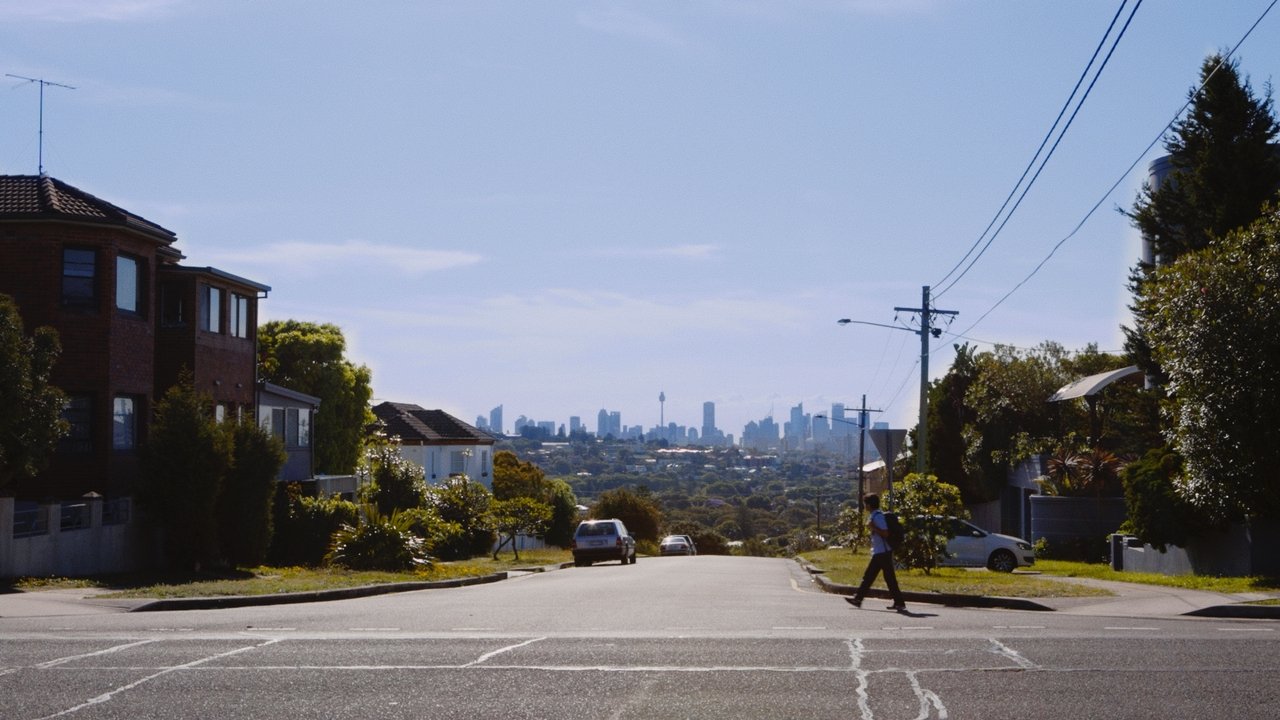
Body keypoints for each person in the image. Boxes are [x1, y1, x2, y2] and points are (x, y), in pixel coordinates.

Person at [847, 493, 907, 612]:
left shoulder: (877, 517)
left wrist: (873, 527)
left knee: (871, 577)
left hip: (882, 552)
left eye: (865, 504)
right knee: (884, 578)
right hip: (881, 552)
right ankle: (899, 602)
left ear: (869, 505)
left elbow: (885, 533)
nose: (864, 506)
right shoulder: (875, 515)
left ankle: (858, 599)